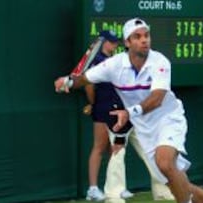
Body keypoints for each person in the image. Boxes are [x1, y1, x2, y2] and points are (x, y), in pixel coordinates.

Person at [55, 18, 203, 203]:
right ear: (127, 42)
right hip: (145, 129)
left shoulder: (160, 61)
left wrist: (129, 112)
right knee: (175, 181)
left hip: (168, 118)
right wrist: (67, 81)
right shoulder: (113, 65)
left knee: (165, 162)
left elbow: (157, 98)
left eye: (146, 35)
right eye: (137, 37)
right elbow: (83, 79)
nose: (144, 40)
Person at [80, 30, 134, 201]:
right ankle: (93, 189)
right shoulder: (95, 61)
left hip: (117, 106)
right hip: (102, 107)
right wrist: (93, 103)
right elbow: (88, 84)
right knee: (99, 147)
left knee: (117, 147)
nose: (115, 44)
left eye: (116, 42)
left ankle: (117, 187)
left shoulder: (112, 60)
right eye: (112, 42)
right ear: (103, 42)